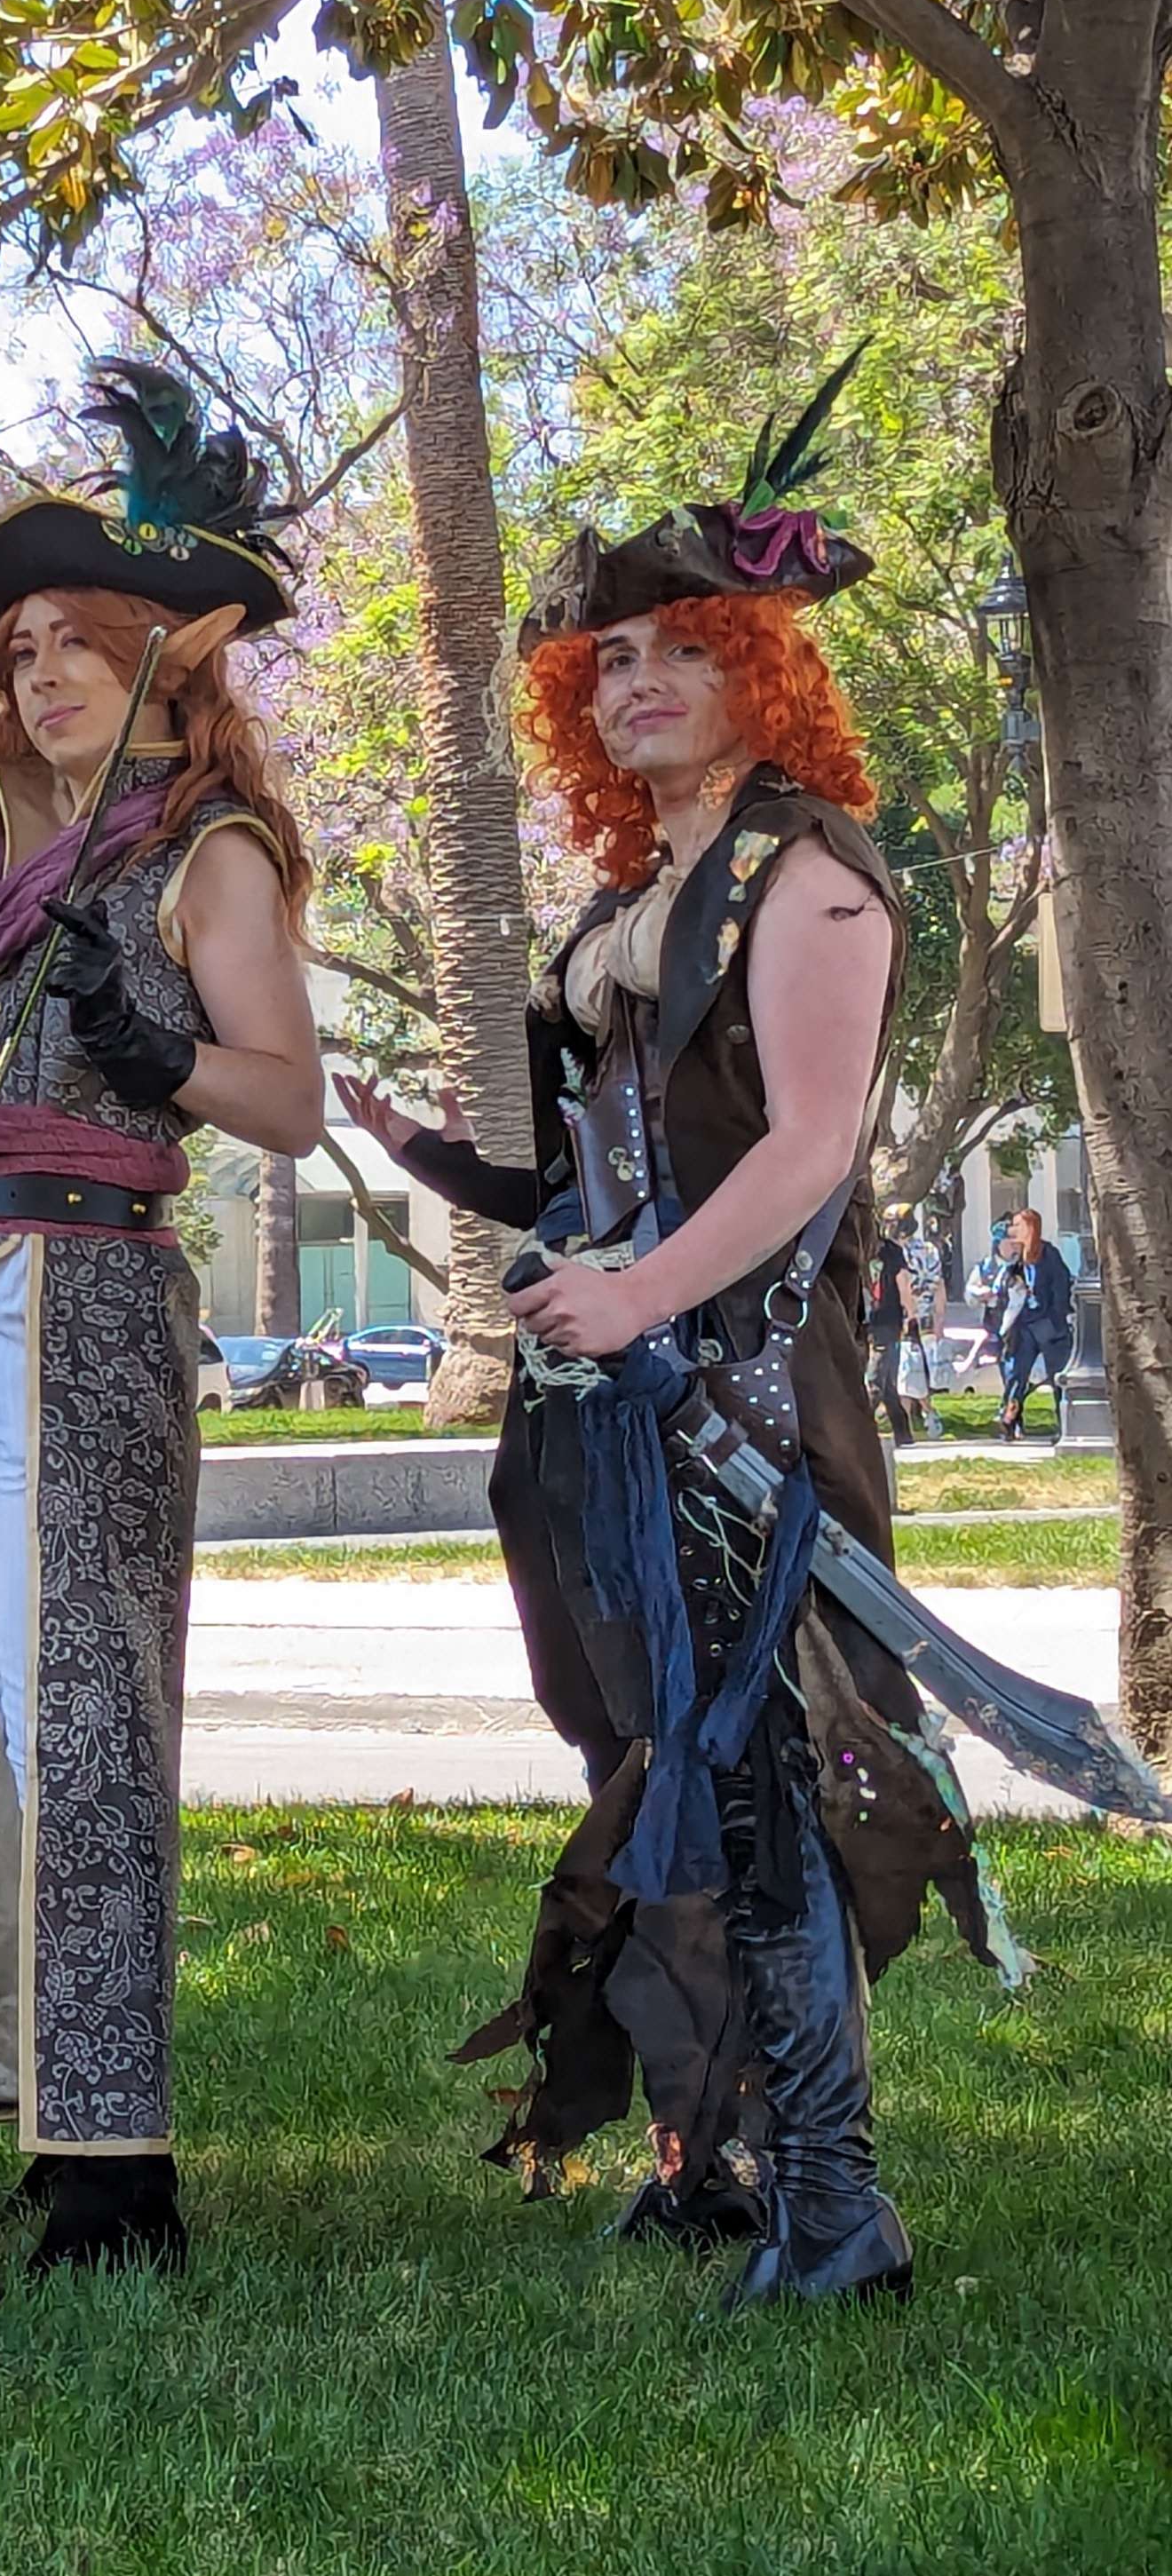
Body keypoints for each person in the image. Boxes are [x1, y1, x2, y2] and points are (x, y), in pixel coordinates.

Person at [338, 369, 1010, 2305]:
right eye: (602, 662)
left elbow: (806, 1147)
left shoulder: (811, 872)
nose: (628, 683)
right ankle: (713, 2160)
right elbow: (584, 1176)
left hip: (751, 1399)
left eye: (670, 653)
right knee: (664, 1766)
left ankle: (841, 2205)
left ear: (752, 667)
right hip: (620, 1407)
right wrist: (424, 1159)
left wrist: (639, 1293)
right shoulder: (640, 898)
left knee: (776, 1770)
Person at [0, 365, 323, 2277]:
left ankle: (125, 2174)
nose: (38, 676)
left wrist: (166, 1052)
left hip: (95, 1310)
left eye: (78, 645)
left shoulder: (208, 854)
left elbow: (289, 1099)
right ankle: (53, 2103)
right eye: (18, 648)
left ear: (160, 664)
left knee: (89, 1721)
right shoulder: (3, 883)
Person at [991, 1210, 1076, 1439]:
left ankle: (1065, 1426)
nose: (1013, 1230)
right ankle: (1010, 1420)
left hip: (1048, 1325)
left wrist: (1056, 1318)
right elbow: (1004, 1289)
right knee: (1017, 1374)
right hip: (1025, 1326)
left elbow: (1061, 1286)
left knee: (1057, 1376)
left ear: (1030, 1227)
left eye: (1017, 1225)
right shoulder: (1018, 1257)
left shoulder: (1049, 1254)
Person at [864, 1218, 916, 1450]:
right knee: (885, 1382)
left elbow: (902, 1283)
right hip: (885, 1319)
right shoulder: (892, 1251)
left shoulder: (864, 1251)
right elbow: (903, 1284)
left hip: (878, 1319)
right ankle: (903, 1432)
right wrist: (910, 1314)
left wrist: (910, 1314)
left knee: (876, 1378)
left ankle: (859, 1427)